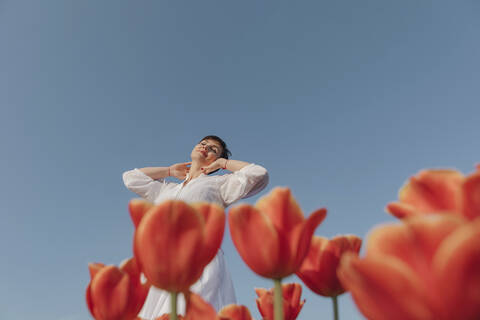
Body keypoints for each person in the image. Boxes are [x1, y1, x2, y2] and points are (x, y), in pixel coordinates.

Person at [122, 135, 269, 319]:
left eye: (213, 149)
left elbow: (259, 174)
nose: (206, 147)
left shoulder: (218, 184)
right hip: (161, 264)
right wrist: (168, 171)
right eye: (203, 144)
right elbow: (131, 178)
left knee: (189, 312)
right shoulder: (167, 189)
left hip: (199, 261)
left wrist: (223, 164)